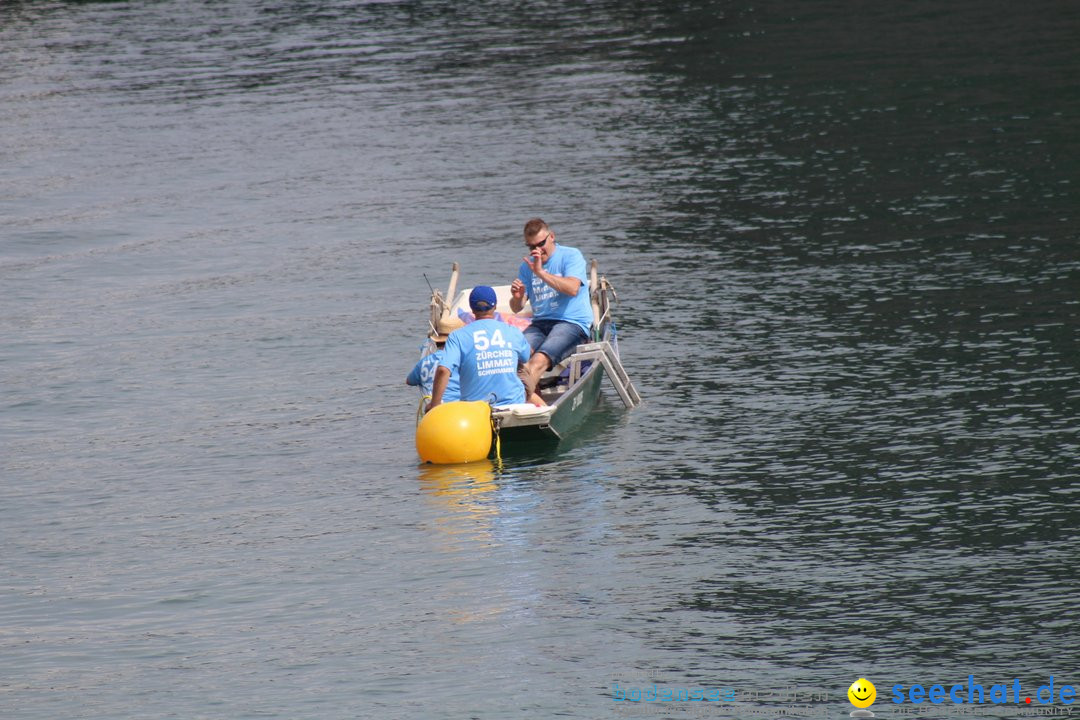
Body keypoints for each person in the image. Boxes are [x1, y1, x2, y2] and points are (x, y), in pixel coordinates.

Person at [509, 218, 592, 397]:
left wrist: (540, 273)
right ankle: (530, 394)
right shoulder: (526, 267)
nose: (537, 251)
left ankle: (516, 401)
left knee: (538, 361)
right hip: (540, 324)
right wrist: (516, 297)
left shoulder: (571, 255)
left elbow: (572, 288)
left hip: (570, 323)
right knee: (513, 357)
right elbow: (517, 307)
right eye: (532, 247)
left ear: (551, 237)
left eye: (541, 244)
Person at [427, 285, 531, 411]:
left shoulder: (458, 336)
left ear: (472, 309)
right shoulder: (512, 331)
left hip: (475, 411)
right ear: (495, 306)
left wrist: (434, 405)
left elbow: (443, 370)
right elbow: (526, 357)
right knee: (522, 367)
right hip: (514, 405)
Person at [405, 318, 460, 402]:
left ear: (436, 342)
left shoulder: (424, 362)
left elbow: (409, 381)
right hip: (456, 405)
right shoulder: (459, 360)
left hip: (433, 406)